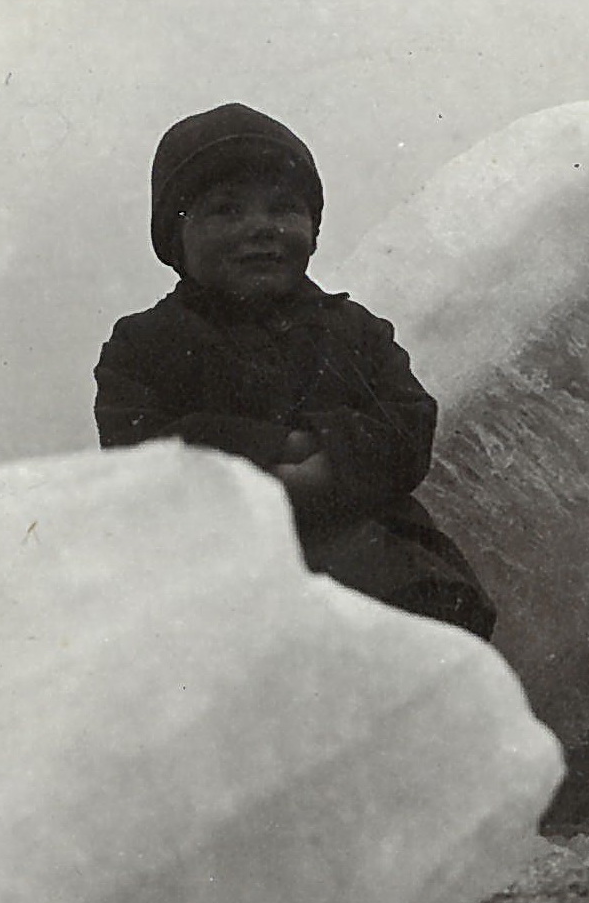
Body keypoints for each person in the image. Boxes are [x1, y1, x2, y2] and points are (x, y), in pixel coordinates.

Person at [94, 102, 496, 640]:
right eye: (226, 211)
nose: (261, 228)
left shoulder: (356, 330)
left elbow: (409, 425)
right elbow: (138, 450)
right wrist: (274, 450)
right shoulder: (144, 343)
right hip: (227, 576)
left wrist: (327, 466)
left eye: (283, 209)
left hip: (390, 574)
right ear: (176, 238)